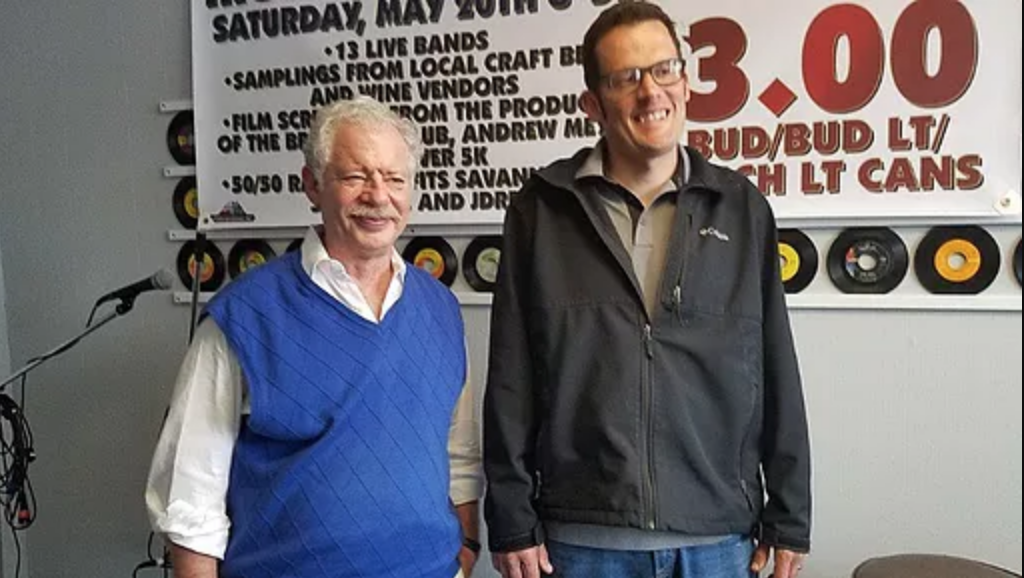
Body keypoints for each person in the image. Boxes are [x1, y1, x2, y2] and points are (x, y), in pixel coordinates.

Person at [482, 2, 811, 578]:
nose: (650, 92)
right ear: (592, 103)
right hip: (580, 540)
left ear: (685, 82)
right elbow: (511, 375)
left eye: (664, 69)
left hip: (716, 539)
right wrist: (509, 516)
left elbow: (775, 363)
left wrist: (790, 514)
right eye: (625, 77)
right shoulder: (541, 210)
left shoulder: (741, 207)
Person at [146, 97, 483, 578]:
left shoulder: (441, 310)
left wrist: (466, 548)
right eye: (355, 176)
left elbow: (459, 454)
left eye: (394, 179)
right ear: (312, 185)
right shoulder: (244, 316)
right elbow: (191, 495)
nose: (378, 196)